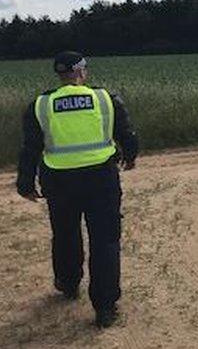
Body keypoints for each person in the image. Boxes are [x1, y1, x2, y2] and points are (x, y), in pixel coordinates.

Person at [16, 51, 138, 328]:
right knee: (105, 240)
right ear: (82, 71)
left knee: (65, 233)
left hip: (59, 181)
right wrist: (130, 156)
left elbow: (30, 148)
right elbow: (127, 134)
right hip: (101, 178)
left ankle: (69, 283)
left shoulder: (41, 104)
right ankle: (105, 307)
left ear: (59, 74)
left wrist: (25, 182)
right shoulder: (105, 98)